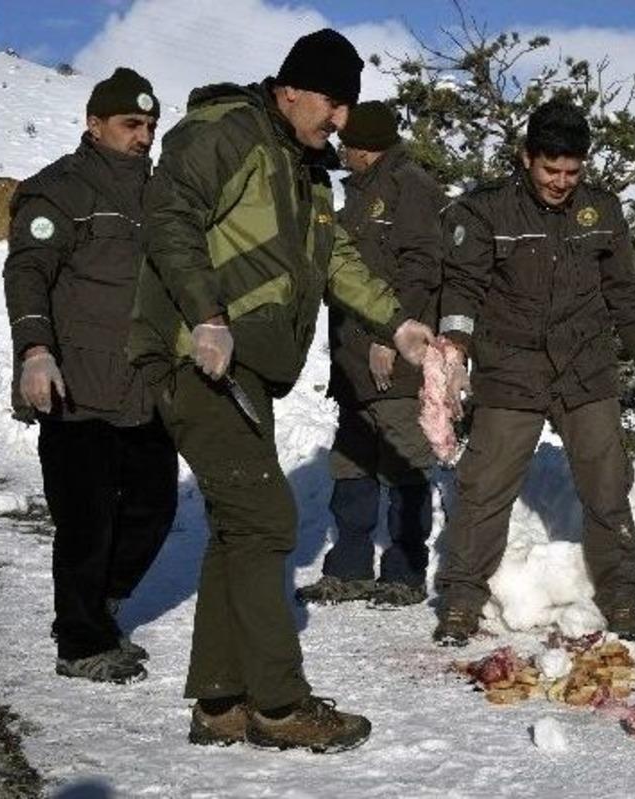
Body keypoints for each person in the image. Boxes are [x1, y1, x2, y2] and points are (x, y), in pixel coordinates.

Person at [129, 29, 433, 753]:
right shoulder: (227, 132)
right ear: (291, 88)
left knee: (241, 527)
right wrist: (205, 313)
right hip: (196, 354)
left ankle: (221, 700)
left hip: (248, 369)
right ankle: (279, 702)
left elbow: (338, 260)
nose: (339, 121)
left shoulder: (306, 173)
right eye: (333, 103)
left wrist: (400, 322)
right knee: (267, 522)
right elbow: (169, 218)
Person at [432, 99, 635, 647]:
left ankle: (619, 593)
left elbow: (626, 292)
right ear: (526, 158)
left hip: (586, 368)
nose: (561, 181)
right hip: (512, 367)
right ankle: (461, 598)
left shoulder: (602, 210)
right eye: (551, 169)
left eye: (573, 171)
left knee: (608, 483)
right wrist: (454, 352)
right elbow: (463, 289)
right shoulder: (488, 210)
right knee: (485, 486)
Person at [4, 67, 177, 685]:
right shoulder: (60, 190)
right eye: (132, 124)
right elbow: (26, 274)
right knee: (86, 520)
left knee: (154, 508)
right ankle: (80, 642)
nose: (143, 136)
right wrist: (34, 351)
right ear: (94, 123)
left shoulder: (162, 193)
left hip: (143, 385)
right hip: (74, 385)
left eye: (151, 126)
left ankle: (97, 602)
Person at [296, 101, 444, 608]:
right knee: (351, 465)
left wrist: (389, 335)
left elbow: (423, 269)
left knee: (404, 463)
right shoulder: (360, 191)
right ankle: (350, 569)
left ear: (362, 148)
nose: (340, 151)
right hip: (353, 364)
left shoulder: (410, 188)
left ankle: (404, 573)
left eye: (345, 144)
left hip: (393, 359)